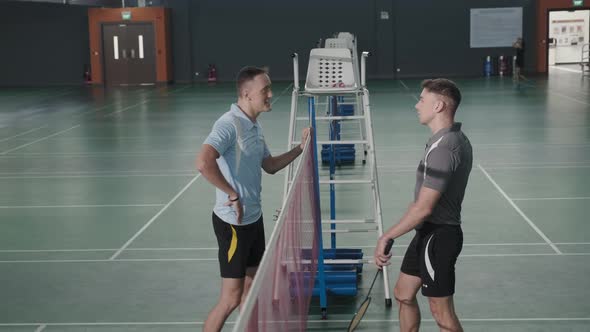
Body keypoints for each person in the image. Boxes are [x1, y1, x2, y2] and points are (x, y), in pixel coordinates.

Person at [196, 66, 309, 332]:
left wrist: (300, 149)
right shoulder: (229, 124)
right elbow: (203, 162)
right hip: (233, 225)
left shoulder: (254, 126)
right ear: (246, 94)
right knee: (231, 298)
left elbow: (268, 165)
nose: (271, 94)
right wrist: (232, 193)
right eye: (265, 90)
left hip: (253, 221)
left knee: (251, 291)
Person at [374, 79, 472, 332]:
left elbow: (424, 208)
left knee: (441, 313)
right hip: (427, 232)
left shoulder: (445, 148)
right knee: (403, 293)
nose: (417, 105)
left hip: (439, 236)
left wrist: (387, 236)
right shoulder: (444, 140)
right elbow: (418, 204)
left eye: (422, 100)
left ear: (438, 105)